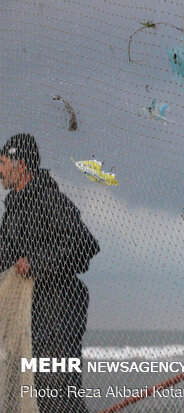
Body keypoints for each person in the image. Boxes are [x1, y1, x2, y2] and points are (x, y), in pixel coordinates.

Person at [0, 133, 100, 412]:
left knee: (58, 395)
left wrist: (35, 262)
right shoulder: (14, 210)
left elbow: (84, 245)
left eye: (2, 162)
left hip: (58, 313)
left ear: (20, 165)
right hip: (27, 320)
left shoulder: (50, 200)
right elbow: (4, 257)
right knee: (31, 393)